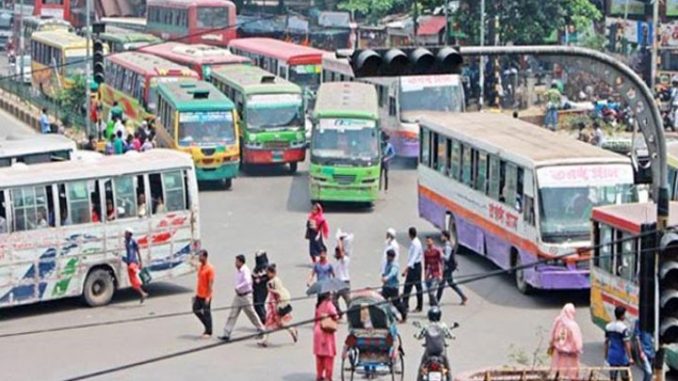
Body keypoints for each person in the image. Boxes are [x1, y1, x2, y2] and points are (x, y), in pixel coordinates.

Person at [219, 255, 266, 342]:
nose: (235, 263)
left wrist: (238, 287)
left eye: (237, 262)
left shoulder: (245, 270)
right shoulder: (238, 271)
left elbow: (248, 281)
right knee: (232, 314)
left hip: (246, 296)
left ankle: (261, 329)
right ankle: (226, 333)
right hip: (238, 296)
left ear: (241, 262)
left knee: (251, 313)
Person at [260, 264, 298, 347]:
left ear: (272, 273)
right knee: (271, 322)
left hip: (275, 304)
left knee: (277, 323)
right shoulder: (272, 281)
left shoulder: (275, 281)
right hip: (273, 304)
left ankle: (292, 330)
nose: (267, 274)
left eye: (268, 273)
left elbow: (279, 292)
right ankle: (265, 340)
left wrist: (270, 290)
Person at [548, 303, 583, 379]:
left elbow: (552, 335)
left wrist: (552, 345)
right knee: (570, 375)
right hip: (570, 356)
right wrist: (578, 350)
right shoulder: (573, 326)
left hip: (557, 353)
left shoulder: (558, 321)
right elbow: (578, 343)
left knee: (557, 373)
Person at [437, 231, 468, 305]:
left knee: (441, 284)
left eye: (442, 236)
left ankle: (436, 301)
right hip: (449, 267)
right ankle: (463, 296)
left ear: (446, 237)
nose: (441, 237)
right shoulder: (448, 244)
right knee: (450, 283)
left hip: (448, 267)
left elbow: (447, 258)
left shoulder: (447, 246)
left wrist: (441, 253)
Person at [314, 292, 338, 381]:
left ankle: (319, 375)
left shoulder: (318, 305)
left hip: (317, 331)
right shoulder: (329, 304)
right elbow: (336, 315)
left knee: (319, 356)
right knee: (328, 356)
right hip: (326, 331)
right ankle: (328, 377)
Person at [605, 306, 633, 381]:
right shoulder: (623, 328)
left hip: (612, 356)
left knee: (613, 378)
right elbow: (627, 344)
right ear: (622, 316)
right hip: (622, 357)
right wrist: (630, 357)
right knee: (625, 378)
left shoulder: (608, 327)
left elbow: (606, 342)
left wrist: (606, 356)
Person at [193, 249, 214, 338]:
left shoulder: (210, 269)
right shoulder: (201, 266)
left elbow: (210, 284)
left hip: (206, 295)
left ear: (205, 257)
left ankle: (208, 331)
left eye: (201, 256)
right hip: (199, 294)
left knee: (206, 313)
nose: (199, 258)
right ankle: (207, 325)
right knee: (195, 309)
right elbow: (194, 264)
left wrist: (208, 297)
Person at [123, 228, 148, 303]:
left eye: (126, 233)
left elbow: (138, 251)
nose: (125, 234)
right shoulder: (126, 241)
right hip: (129, 262)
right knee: (133, 281)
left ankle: (143, 293)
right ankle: (142, 292)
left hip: (133, 262)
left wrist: (140, 262)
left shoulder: (133, 241)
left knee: (133, 279)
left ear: (129, 234)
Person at [402, 227, 424, 313]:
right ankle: (407, 305)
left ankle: (416, 306)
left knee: (410, 286)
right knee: (411, 287)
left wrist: (406, 270)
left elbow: (413, 258)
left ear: (410, 234)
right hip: (415, 266)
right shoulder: (416, 242)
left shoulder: (415, 244)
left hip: (414, 267)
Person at [382, 249, 406, 322]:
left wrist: (386, 278)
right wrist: (383, 275)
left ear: (391, 257)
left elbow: (393, 273)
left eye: (388, 256)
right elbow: (385, 271)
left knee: (396, 303)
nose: (387, 258)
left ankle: (404, 315)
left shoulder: (395, 265)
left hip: (393, 287)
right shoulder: (387, 263)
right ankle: (385, 316)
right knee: (382, 301)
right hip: (386, 286)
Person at [423, 235, 444, 307]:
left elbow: (441, 262)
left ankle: (437, 305)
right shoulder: (426, 252)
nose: (428, 243)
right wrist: (425, 275)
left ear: (432, 241)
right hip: (430, 274)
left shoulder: (437, 251)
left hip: (437, 274)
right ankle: (432, 308)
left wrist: (441, 274)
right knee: (429, 293)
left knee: (431, 292)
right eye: (427, 241)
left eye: (429, 241)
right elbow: (426, 265)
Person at [252, 250, 270, 324]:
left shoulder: (266, 267)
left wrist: (260, 279)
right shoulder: (257, 268)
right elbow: (253, 275)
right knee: (257, 305)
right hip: (256, 289)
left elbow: (268, 277)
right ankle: (265, 320)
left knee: (259, 305)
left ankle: (265, 321)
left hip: (263, 289)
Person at [332, 245, 350, 317]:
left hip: (344, 282)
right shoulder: (336, 263)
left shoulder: (345, 260)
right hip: (337, 283)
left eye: (338, 252)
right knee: (333, 300)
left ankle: (351, 314)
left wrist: (339, 240)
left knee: (348, 300)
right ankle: (339, 313)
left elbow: (342, 255)